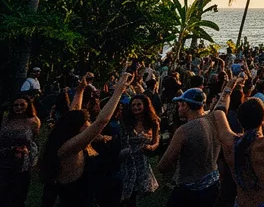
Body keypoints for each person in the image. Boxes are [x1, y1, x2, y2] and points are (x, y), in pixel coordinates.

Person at [40, 71, 132, 207]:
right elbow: (101, 121)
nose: (89, 124)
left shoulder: (69, 136)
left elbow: (73, 113)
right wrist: (118, 91)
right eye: (87, 122)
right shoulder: (70, 147)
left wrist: (80, 89)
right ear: (77, 128)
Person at [157, 87, 225, 206]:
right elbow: (223, 104)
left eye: (180, 105)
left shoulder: (184, 131)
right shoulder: (214, 120)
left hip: (191, 189)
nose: (178, 108)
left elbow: (163, 166)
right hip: (213, 183)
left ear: (186, 106)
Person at [119, 94, 160, 206]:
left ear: (145, 105)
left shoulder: (153, 122)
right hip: (127, 160)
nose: (135, 107)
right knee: (127, 194)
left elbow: (156, 142)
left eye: (138, 105)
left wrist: (150, 148)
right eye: (133, 105)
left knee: (138, 194)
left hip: (142, 162)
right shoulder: (126, 121)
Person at [0, 95, 40, 207]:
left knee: (18, 195)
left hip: (22, 162)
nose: (19, 107)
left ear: (28, 105)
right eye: (16, 105)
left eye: (22, 104)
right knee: (3, 194)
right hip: (4, 159)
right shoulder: (5, 120)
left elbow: (34, 141)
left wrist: (33, 160)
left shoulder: (33, 121)